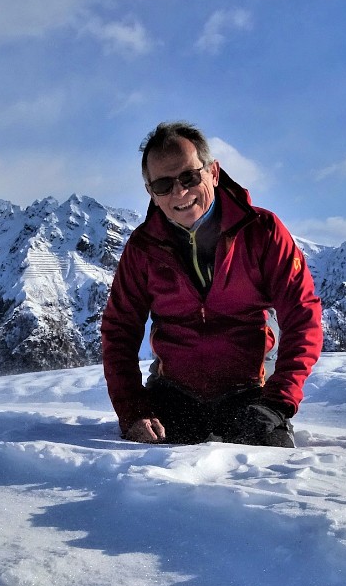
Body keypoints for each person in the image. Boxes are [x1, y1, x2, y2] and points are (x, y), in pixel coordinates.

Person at [101, 121, 323, 447]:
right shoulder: (143, 249)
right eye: (163, 184)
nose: (179, 192)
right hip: (174, 394)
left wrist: (278, 401)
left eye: (188, 177)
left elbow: (303, 314)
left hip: (252, 393)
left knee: (267, 478)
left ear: (213, 173)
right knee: (150, 480)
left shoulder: (262, 232)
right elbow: (119, 330)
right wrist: (133, 411)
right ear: (150, 192)